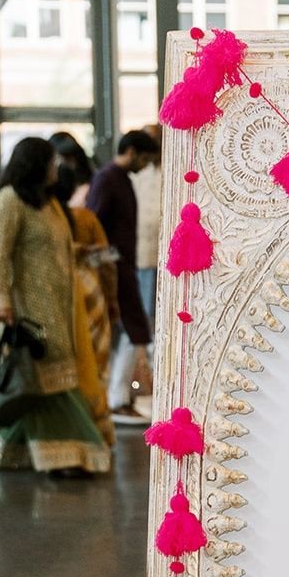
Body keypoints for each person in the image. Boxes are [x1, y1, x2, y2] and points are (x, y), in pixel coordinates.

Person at [0, 136, 111, 475]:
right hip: (27, 311)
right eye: (50, 163)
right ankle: (75, 452)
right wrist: (1, 302)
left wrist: (79, 253)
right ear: (35, 164)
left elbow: (52, 249)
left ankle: (11, 450)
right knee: (46, 378)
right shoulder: (9, 200)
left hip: (60, 310)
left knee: (40, 383)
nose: (55, 169)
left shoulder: (49, 204)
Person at [87, 128, 158, 423]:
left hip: (122, 265)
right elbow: (94, 224)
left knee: (131, 330)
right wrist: (104, 262)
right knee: (133, 329)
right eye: (143, 158)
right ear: (130, 152)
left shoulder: (119, 179)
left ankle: (118, 397)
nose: (145, 165)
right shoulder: (107, 180)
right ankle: (116, 399)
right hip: (113, 268)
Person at [51, 143, 119, 421]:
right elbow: (107, 262)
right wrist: (113, 300)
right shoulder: (86, 218)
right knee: (94, 360)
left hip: (57, 293)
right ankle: (92, 419)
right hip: (90, 293)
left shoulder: (47, 220)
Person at [132, 123, 162, 329]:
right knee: (142, 312)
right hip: (139, 251)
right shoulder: (137, 172)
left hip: (162, 253)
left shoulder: (172, 169)